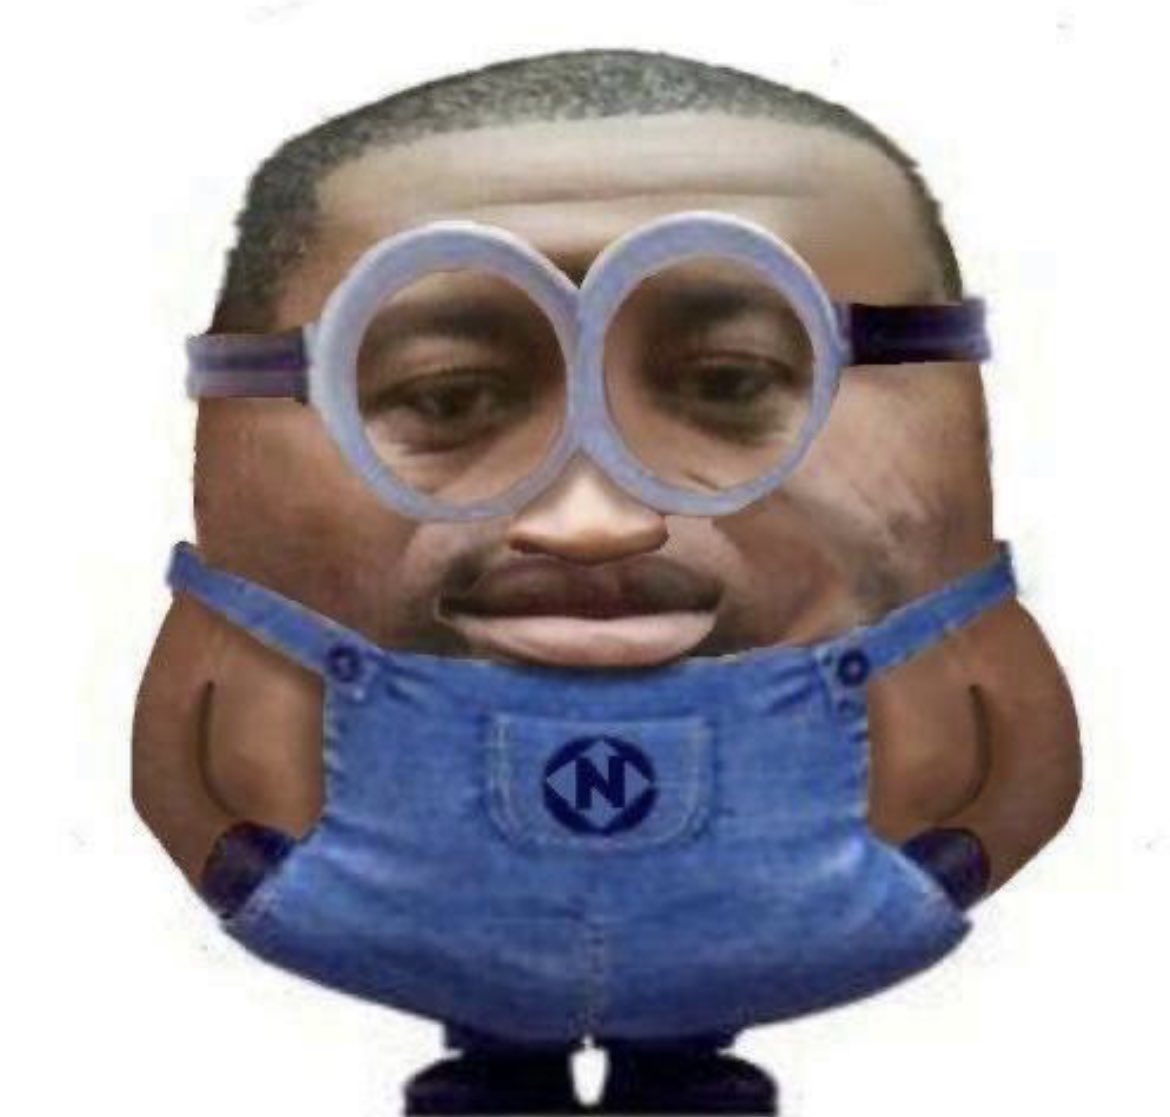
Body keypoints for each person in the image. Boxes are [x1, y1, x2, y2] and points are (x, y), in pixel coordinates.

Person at [133, 50, 1081, 1116]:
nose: (593, 521)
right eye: (446, 398)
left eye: (732, 380)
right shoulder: (245, 642)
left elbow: (1021, 763)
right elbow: (186, 765)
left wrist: (933, 878)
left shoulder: (950, 637)